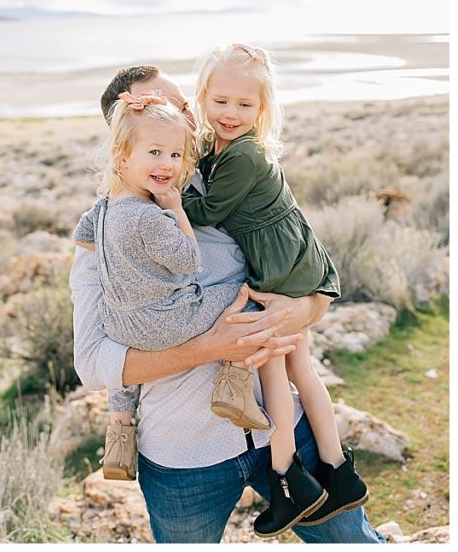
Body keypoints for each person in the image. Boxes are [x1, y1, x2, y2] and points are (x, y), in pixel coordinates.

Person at [69, 64, 384, 544]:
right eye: (161, 107)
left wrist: (298, 313)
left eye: (181, 104)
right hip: (183, 457)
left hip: (282, 428)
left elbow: (314, 280)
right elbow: (93, 364)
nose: (187, 117)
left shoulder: (234, 182)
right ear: (124, 135)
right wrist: (213, 346)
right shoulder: (102, 232)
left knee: (354, 541)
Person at [183, 43, 366, 535]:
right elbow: (201, 150)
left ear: (262, 107)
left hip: (283, 269)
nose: (230, 113)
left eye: (245, 105)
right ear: (202, 97)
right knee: (300, 368)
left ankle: (288, 480)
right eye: (220, 101)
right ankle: (339, 471)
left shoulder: (243, 154)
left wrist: (164, 194)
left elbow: (207, 211)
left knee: (272, 374)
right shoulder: (220, 144)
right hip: (294, 260)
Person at [72, 92, 263, 483]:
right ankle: (233, 383)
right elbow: (189, 260)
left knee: (125, 380)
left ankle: (121, 434)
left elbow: (84, 237)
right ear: (122, 156)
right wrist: (175, 209)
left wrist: (125, 266)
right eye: (156, 152)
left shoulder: (105, 208)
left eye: (175, 156)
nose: (168, 165)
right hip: (166, 321)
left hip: (121, 326)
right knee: (245, 296)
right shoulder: (150, 216)